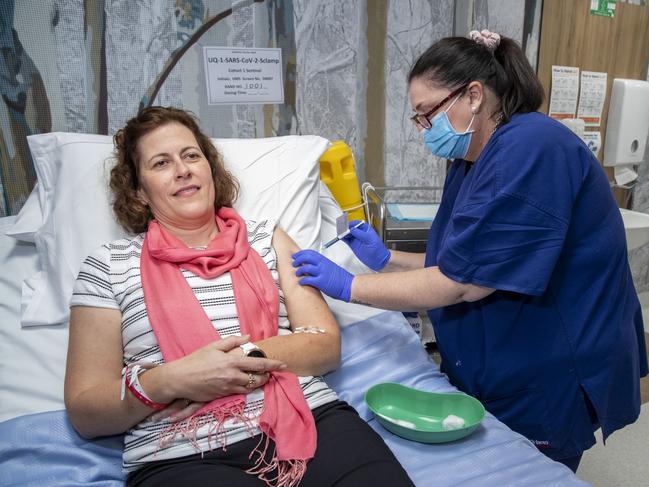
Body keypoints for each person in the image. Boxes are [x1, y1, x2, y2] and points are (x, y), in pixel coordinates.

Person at [292, 30, 648, 473]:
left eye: (427, 114)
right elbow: (465, 260)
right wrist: (386, 259)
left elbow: (463, 283)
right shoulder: (472, 159)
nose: (424, 129)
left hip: (552, 353)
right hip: (504, 351)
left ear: (474, 95)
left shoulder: (532, 149)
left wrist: (349, 286)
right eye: (419, 119)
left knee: (532, 468)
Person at [64, 106, 414, 487]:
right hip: (180, 454)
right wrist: (171, 381)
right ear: (139, 191)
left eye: (191, 155)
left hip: (308, 421)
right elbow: (86, 410)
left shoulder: (267, 239)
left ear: (210, 170)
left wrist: (238, 362)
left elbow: (325, 345)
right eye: (161, 163)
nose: (182, 169)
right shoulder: (107, 267)